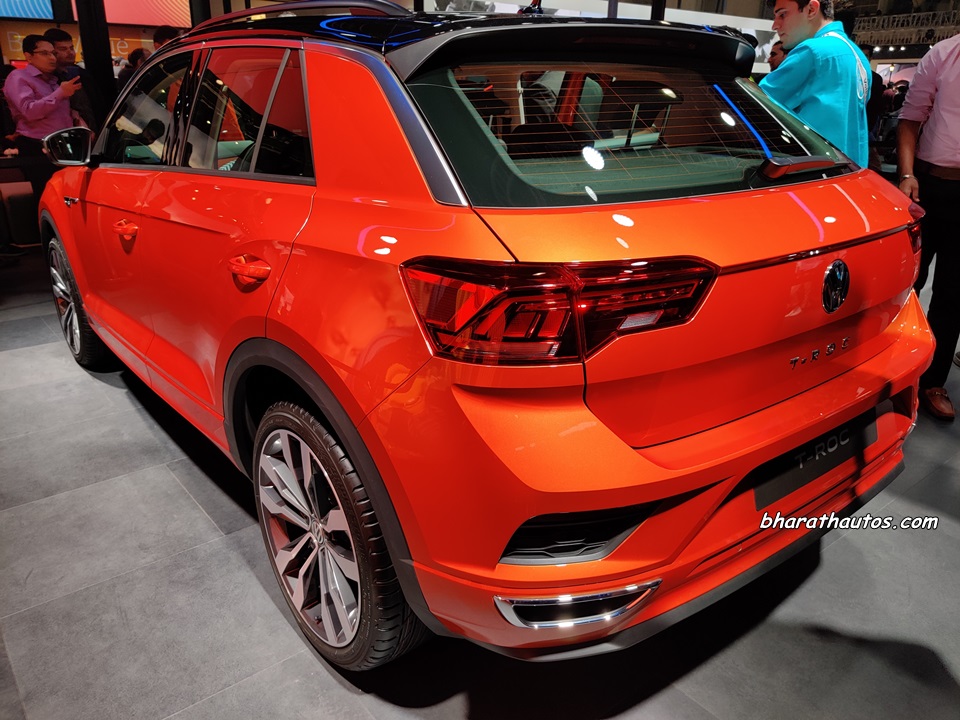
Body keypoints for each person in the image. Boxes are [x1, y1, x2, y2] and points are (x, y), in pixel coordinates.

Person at [897, 32, 960, 422]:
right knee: (909, 283)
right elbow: (910, 119)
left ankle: (933, 381)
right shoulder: (944, 54)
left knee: (954, 293)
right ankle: (897, 368)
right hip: (929, 186)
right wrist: (906, 174)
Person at [759, 0, 871, 168]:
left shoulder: (813, 51)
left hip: (812, 170)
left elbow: (754, 106)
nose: (775, 25)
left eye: (782, 14)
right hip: (851, 170)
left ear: (811, 9)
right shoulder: (857, 55)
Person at [3, 35, 82, 232]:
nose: (52, 58)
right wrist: (60, 93)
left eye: (53, 53)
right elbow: (29, 111)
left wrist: (75, 117)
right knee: (48, 199)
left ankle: (70, 238)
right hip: (37, 145)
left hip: (63, 144)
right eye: (45, 53)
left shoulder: (53, 80)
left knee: (68, 197)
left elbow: (58, 112)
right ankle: (51, 240)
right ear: (28, 56)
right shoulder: (18, 77)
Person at [43, 27, 108, 131]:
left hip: (93, 130)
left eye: (71, 48)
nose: (70, 52)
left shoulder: (83, 74)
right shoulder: (46, 78)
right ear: (52, 52)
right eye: (63, 49)